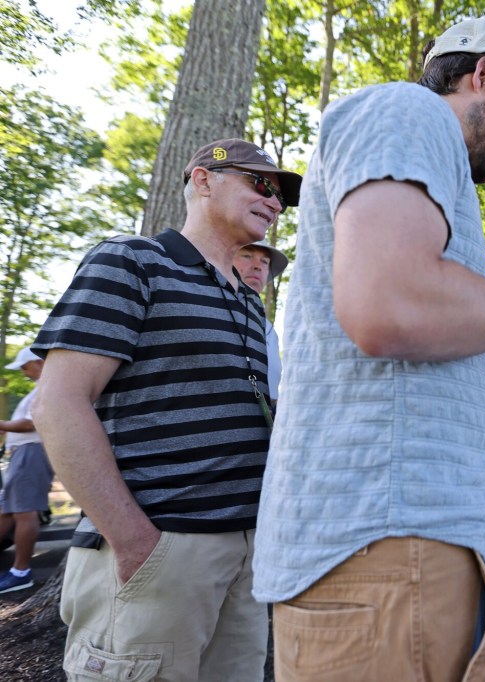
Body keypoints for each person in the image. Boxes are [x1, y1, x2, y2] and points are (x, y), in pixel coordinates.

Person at [252, 17, 485, 681]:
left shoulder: (429, 157)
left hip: (425, 559)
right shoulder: (406, 108)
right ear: (480, 75)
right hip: (384, 557)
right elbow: (391, 303)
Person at [32, 139, 301, 681]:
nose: (274, 202)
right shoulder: (130, 262)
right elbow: (57, 403)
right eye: (260, 184)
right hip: (159, 549)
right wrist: (135, 542)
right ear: (203, 180)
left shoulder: (247, 300)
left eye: (280, 196)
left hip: (246, 557)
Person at [0, 348, 52, 594]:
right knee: (7, 511)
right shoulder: (40, 387)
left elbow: (33, 422)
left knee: (23, 512)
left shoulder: (46, 387)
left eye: (24, 366)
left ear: (38, 362)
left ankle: (21, 572)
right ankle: (18, 570)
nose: (22, 372)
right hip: (24, 453)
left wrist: (2, 424)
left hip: (31, 452)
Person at [233, 239, 289, 402]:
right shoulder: (210, 310)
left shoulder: (270, 330)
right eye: (247, 256)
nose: (257, 265)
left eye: (264, 261)